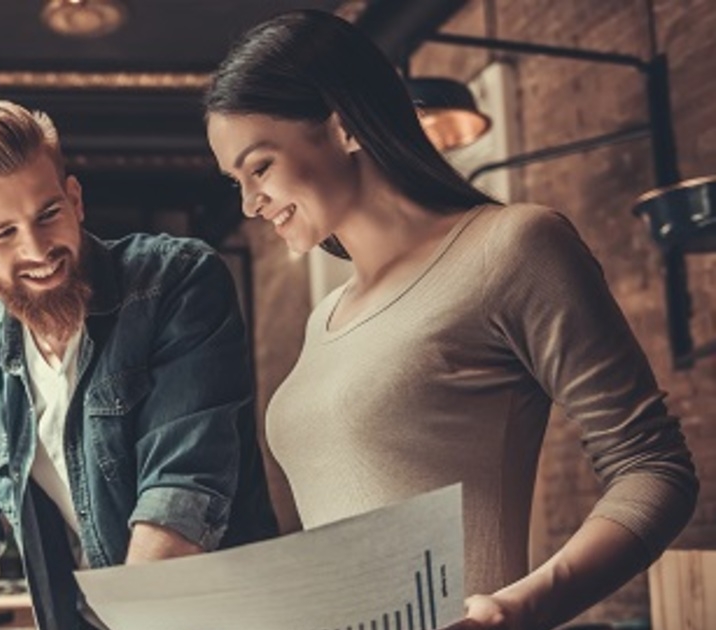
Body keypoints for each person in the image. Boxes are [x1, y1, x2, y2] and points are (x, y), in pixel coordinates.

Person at [204, 10, 698, 630]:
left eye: (260, 166)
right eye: (236, 182)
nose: (250, 203)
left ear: (346, 127)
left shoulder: (514, 247)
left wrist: (521, 608)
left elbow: (654, 468)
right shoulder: (324, 316)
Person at [0, 100, 277, 630]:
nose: (38, 249)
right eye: (3, 233)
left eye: (48, 214)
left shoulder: (175, 281)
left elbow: (180, 492)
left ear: (74, 200)